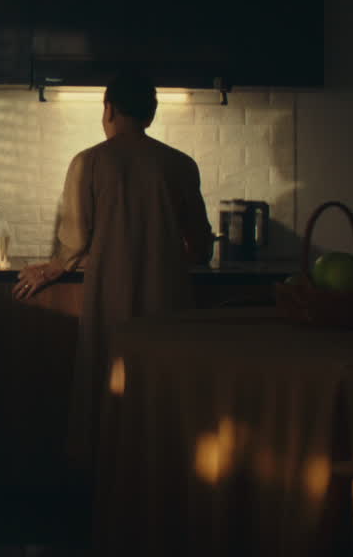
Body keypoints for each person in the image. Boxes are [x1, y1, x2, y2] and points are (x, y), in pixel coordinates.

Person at [13, 72, 213, 463]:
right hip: (169, 301)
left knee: (109, 389)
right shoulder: (180, 165)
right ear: (150, 115)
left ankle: (106, 491)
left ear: (109, 109)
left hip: (111, 297)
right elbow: (201, 246)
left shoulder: (89, 162)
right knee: (164, 391)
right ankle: (162, 486)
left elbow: (74, 241)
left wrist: (53, 268)